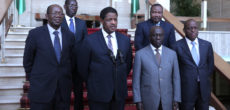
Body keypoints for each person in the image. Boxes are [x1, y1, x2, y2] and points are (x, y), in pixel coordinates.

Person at [77, 7, 132, 110]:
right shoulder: (90, 40)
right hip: (98, 93)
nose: (113, 23)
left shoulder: (125, 40)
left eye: (115, 19)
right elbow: (83, 67)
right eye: (109, 20)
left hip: (119, 94)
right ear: (102, 21)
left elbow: (127, 64)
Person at [23, 4, 75, 110]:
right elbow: (27, 61)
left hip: (63, 92)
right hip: (41, 91)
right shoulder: (35, 34)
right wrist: (35, 79)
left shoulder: (69, 35)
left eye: (61, 13)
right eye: (55, 13)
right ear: (47, 16)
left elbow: (72, 61)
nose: (58, 16)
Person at [132, 26, 181, 110]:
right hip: (148, 100)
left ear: (163, 36)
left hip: (167, 99)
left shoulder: (172, 54)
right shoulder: (140, 54)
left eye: (160, 35)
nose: (158, 38)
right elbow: (136, 80)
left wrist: (176, 99)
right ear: (149, 37)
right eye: (154, 35)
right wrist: (138, 100)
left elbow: (176, 78)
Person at [173, 19, 214, 110]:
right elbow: (175, 69)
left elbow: (210, 66)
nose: (193, 30)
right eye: (189, 28)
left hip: (203, 90)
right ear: (184, 30)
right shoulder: (177, 46)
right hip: (186, 90)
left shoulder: (207, 45)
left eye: (195, 28)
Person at [61, 0, 88, 110]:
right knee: (63, 92)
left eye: (76, 6)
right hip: (63, 63)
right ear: (65, 6)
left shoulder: (82, 23)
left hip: (79, 64)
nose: (74, 7)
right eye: (71, 5)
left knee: (79, 92)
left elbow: (86, 43)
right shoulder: (59, 21)